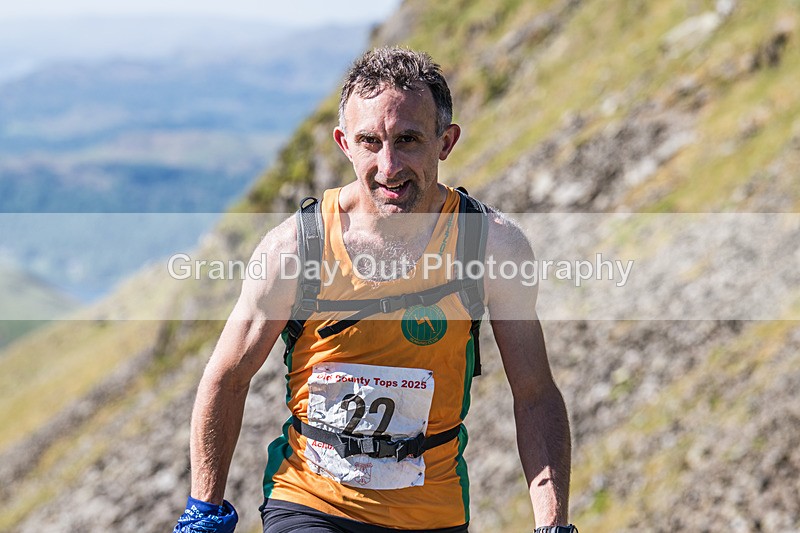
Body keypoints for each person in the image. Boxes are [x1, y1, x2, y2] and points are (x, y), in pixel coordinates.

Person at [174, 47, 574, 533]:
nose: (388, 166)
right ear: (344, 143)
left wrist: (552, 525)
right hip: (310, 500)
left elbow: (534, 393)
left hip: (432, 512)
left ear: (445, 142)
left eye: (407, 140)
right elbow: (226, 378)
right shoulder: (295, 248)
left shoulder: (490, 246)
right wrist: (204, 511)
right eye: (370, 142)